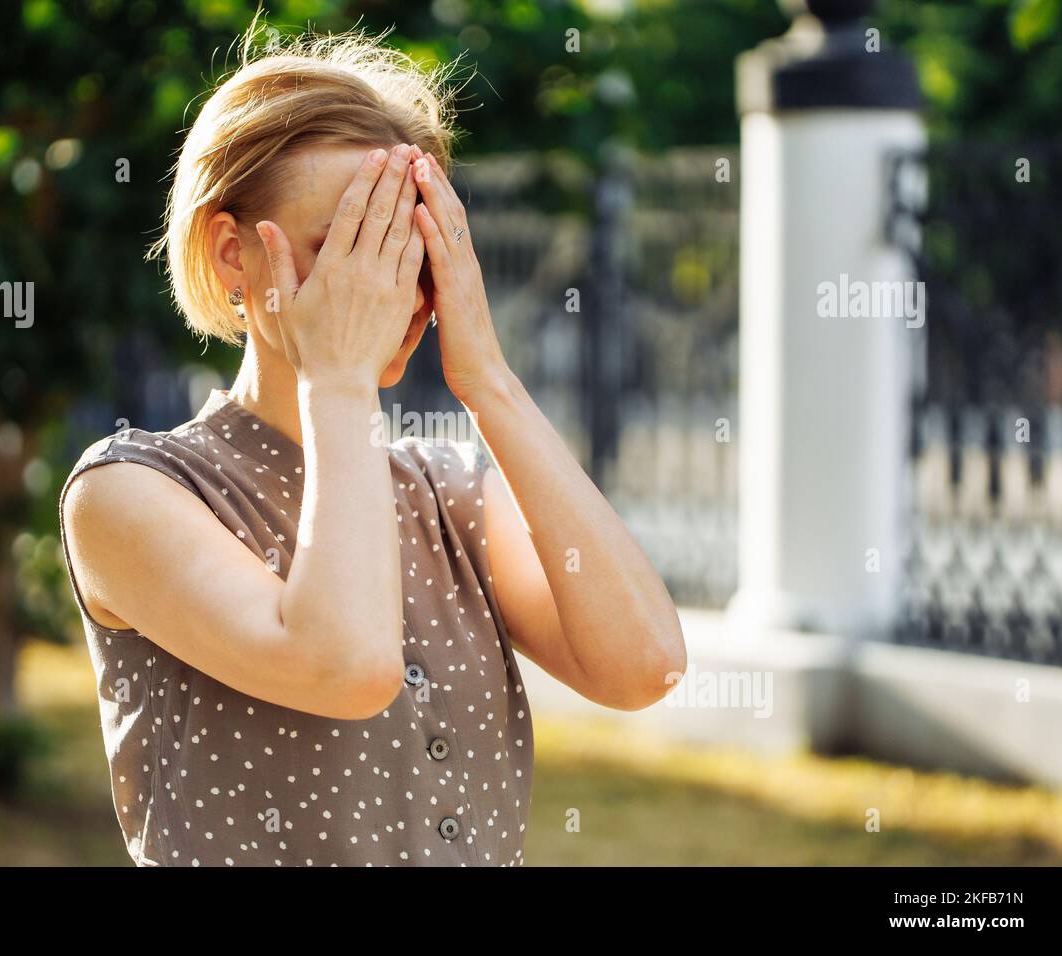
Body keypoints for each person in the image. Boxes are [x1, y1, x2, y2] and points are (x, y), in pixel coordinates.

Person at [59, 20, 685, 867]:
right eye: (348, 247)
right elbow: (345, 665)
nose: (391, 291)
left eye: (411, 250)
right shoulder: (127, 493)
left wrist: (489, 380)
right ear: (230, 253)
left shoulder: (448, 490)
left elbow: (645, 666)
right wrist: (340, 379)